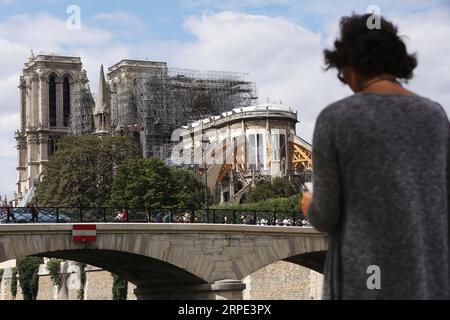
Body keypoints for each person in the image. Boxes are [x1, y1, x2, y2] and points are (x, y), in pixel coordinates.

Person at [301, 14, 450, 299]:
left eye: (342, 73)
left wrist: (309, 204)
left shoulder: (335, 119)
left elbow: (327, 214)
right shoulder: (436, 116)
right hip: (427, 282)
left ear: (351, 65)